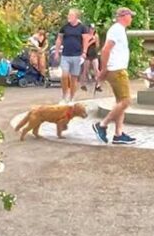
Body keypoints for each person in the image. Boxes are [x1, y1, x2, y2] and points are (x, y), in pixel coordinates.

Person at [93, 7, 137, 145]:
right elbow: (106, 49)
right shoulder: (117, 29)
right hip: (116, 70)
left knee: (120, 103)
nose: (132, 18)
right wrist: (104, 68)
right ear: (124, 16)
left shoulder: (119, 29)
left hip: (117, 69)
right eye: (131, 16)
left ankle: (118, 134)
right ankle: (102, 125)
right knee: (126, 101)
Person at [54, 9, 89, 103]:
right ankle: (64, 95)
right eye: (68, 15)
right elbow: (59, 39)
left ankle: (72, 97)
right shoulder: (65, 27)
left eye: (71, 15)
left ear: (76, 17)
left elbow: (85, 40)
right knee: (64, 75)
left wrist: (84, 52)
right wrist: (57, 52)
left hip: (77, 55)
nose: (68, 17)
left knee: (74, 78)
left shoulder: (82, 28)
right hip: (66, 55)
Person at [81, 24, 103, 95]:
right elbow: (85, 45)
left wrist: (96, 41)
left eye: (93, 29)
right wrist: (91, 41)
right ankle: (83, 84)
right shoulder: (86, 36)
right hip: (87, 54)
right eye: (91, 29)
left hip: (94, 54)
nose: (92, 30)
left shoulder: (96, 36)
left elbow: (97, 45)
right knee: (85, 70)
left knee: (96, 69)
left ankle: (98, 84)